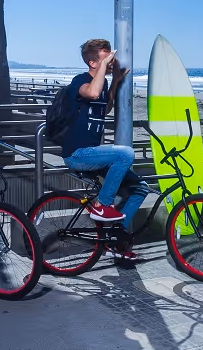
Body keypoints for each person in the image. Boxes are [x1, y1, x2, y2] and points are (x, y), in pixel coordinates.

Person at [60, 39, 151, 261]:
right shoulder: (80, 81)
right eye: (105, 56)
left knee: (141, 188)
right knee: (125, 153)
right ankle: (102, 205)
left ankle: (115, 239)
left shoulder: (100, 85)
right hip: (77, 154)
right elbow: (91, 94)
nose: (111, 59)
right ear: (92, 62)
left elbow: (104, 105)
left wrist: (116, 81)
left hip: (94, 154)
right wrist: (104, 69)